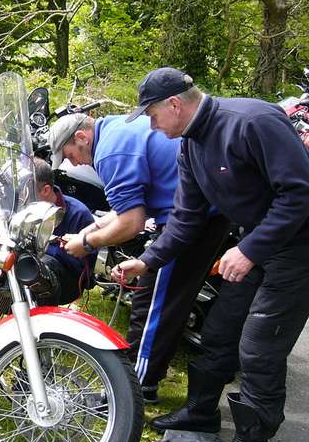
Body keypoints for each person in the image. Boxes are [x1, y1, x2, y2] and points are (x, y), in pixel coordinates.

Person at [115, 67, 309, 442]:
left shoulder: (253, 122)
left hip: (297, 249)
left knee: (258, 347)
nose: (150, 126)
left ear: (174, 104)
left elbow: (299, 193)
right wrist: (146, 260)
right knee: (219, 331)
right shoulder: (190, 145)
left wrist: (250, 249)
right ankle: (201, 414)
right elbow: (185, 219)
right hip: (255, 245)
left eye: (151, 116)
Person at [50, 111, 229, 404]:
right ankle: (146, 381)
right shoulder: (117, 127)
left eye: (69, 154)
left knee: (152, 306)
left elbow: (131, 223)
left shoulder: (109, 153)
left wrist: (87, 243)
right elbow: (127, 210)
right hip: (202, 213)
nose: (72, 163)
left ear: (81, 137)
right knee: (167, 301)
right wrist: (86, 232)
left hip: (189, 220)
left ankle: (134, 391)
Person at [34, 158, 97, 304]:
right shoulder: (25, 208)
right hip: (32, 269)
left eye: (28, 190)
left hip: (67, 280)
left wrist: (52, 248)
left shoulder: (78, 213)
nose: (22, 196)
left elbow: (84, 269)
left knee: (39, 266)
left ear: (46, 190)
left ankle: (42, 321)